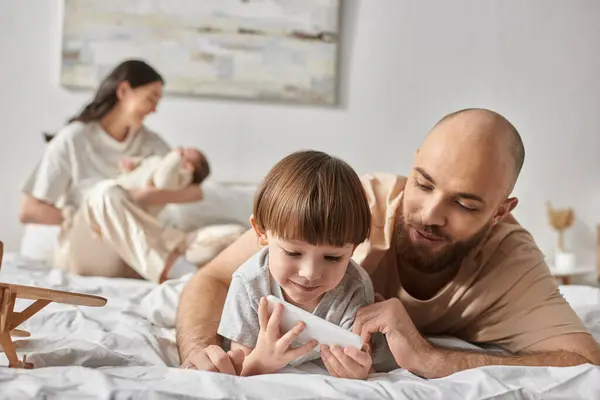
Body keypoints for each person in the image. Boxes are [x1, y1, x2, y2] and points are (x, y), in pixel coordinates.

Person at [175, 108, 600, 378]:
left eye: (466, 204)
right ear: (413, 163)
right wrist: (201, 351)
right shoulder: (354, 205)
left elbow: (583, 359)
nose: (431, 214)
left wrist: (433, 359)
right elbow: (212, 277)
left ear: (500, 212)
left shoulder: (513, 263)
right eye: (424, 183)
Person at [19, 59, 236, 283]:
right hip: (89, 247)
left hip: (134, 252)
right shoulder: (73, 139)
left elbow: (195, 192)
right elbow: (29, 210)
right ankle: (176, 271)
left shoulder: (150, 142)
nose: (155, 108)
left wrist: (143, 196)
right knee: (107, 192)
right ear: (124, 91)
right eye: (151, 97)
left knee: (235, 238)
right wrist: (79, 216)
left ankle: (179, 267)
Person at [217, 150, 377, 378]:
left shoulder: (355, 288)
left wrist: (359, 370)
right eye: (293, 252)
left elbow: (362, 354)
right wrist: (259, 363)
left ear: (354, 249)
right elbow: (239, 367)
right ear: (261, 233)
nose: (310, 273)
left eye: (332, 258)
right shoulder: (249, 284)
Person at [115, 146, 210, 217]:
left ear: (188, 167)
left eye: (184, 153)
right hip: (121, 186)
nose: (179, 149)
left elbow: (163, 181)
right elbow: (146, 163)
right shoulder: (162, 162)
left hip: (132, 208)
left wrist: (176, 157)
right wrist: (133, 164)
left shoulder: (179, 179)